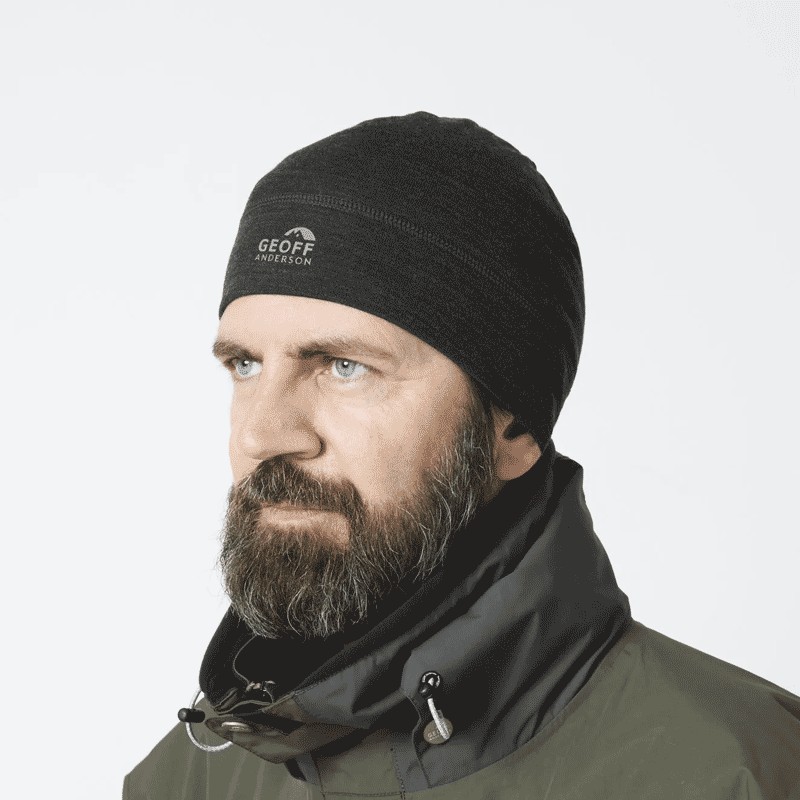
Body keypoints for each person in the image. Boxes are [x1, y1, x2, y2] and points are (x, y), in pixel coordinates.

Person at [123, 111, 800, 799]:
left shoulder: (738, 774)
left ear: (514, 427)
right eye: (244, 364)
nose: (262, 436)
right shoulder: (186, 780)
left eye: (344, 366)